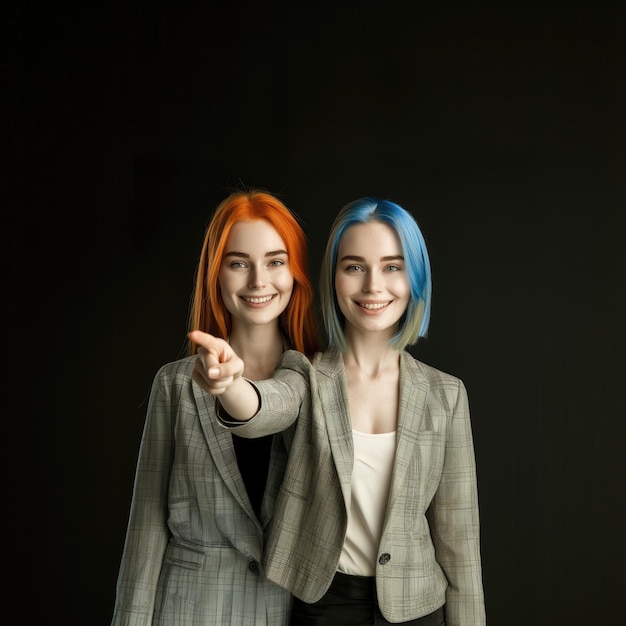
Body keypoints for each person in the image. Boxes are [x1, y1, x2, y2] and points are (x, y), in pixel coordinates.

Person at [190, 197, 486, 625]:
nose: (372, 287)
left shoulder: (447, 395)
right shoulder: (305, 374)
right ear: (333, 279)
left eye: (392, 266)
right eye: (354, 267)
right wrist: (231, 385)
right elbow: (263, 409)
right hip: (324, 608)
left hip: (419, 609)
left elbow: (460, 543)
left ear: (415, 277)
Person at [111, 189, 320, 625]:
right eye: (238, 262)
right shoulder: (173, 384)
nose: (258, 281)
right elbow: (146, 530)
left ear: (295, 272)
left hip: (283, 612)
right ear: (216, 273)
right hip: (187, 611)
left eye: (275, 261)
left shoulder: (318, 382)